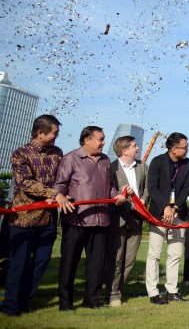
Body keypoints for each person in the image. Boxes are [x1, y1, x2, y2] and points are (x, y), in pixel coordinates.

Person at [3, 115, 73, 317]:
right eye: (54, 133)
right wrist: (53, 193)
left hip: (48, 219)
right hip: (23, 219)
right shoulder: (20, 154)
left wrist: (63, 192)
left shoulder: (57, 153)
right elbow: (25, 183)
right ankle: (11, 306)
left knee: (41, 262)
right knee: (19, 263)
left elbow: (61, 179)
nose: (56, 137)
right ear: (40, 133)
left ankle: (25, 299)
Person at [53, 126, 125, 311]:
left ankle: (92, 301)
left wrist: (117, 195)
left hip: (101, 221)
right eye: (100, 139)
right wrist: (60, 196)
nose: (103, 143)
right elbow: (59, 186)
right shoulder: (71, 158)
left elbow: (110, 186)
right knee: (69, 262)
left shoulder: (106, 160)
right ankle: (65, 303)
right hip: (76, 221)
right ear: (87, 140)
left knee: (96, 264)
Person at [146, 132, 189, 304]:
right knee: (155, 254)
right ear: (173, 149)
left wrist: (175, 207)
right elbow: (152, 188)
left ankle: (172, 291)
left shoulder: (188, 164)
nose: (187, 149)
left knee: (175, 254)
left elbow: (187, 188)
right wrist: (165, 206)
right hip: (159, 214)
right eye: (184, 146)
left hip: (178, 214)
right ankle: (153, 292)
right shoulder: (158, 162)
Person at [104, 136, 148, 307]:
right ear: (124, 151)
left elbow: (147, 189)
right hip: (117, 219)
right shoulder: (111, 168)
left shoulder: (143, 166)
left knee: (129, 260)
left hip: (136, 219)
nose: (138, 148)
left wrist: (143, 199)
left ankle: (116, 290)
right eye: (134, 146)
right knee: (116, 259)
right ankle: (113, 294)